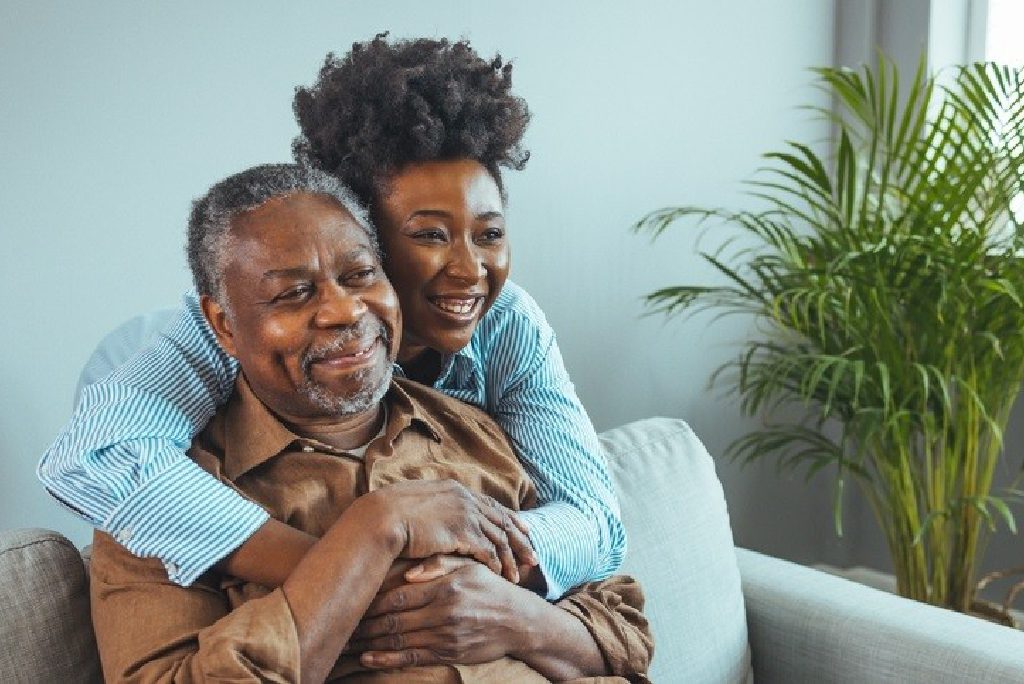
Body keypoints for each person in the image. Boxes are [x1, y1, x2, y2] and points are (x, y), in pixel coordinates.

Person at [39, 35, 623, 600]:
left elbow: (596, 521)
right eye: (429, 236)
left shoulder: (508, 322)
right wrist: (349, 575)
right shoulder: (227, 332)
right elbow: (96, 454)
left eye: (489, 234)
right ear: (357, 233)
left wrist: (462, 576)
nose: (471, 270)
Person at [89, 163, 651, 683]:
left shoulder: (472, 428)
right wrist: (374, 531)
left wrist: (513, 617)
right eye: (294, 292)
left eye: (360, 274)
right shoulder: (154, 506)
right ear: (223, 324)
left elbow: (625, 633)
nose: (345, 310)